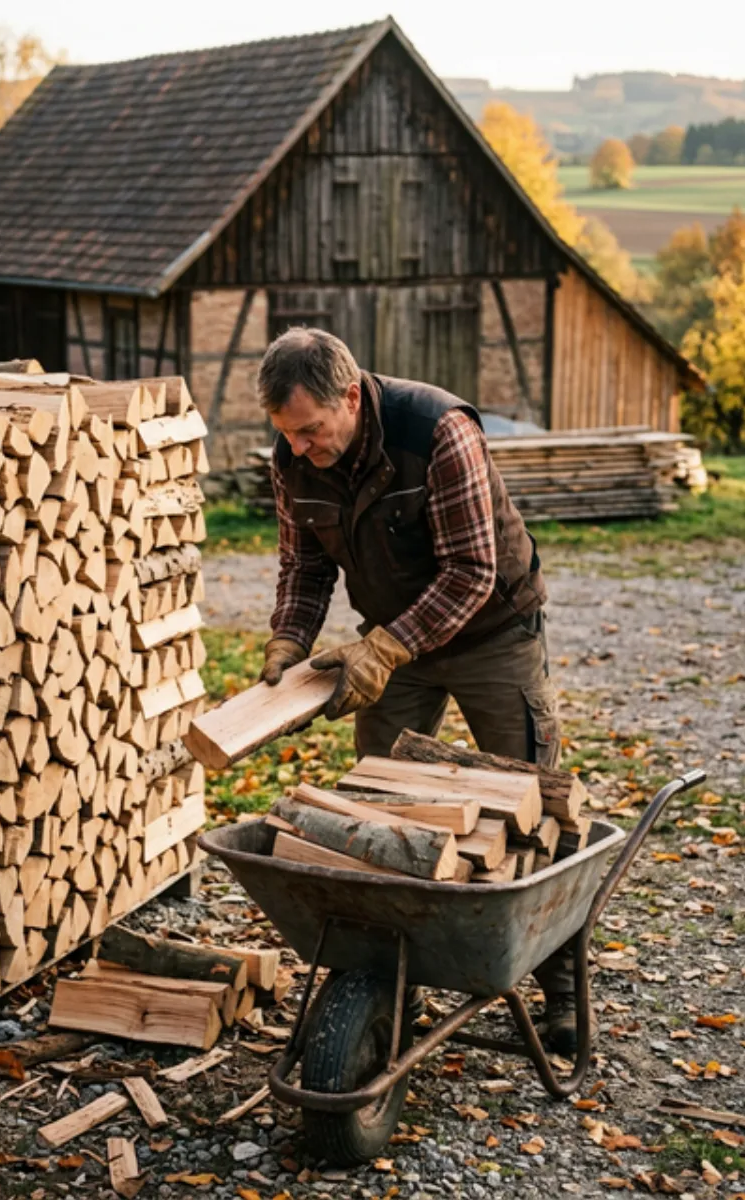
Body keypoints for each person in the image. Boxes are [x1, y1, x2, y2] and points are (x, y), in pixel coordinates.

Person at [257, 326, 574, 1053]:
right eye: (287, 435)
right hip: (393, 644)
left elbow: (471, 572)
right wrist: (289, 640)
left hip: (494, 633)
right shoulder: (293, 457)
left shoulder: (436, 431)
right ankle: (393, 985)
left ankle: (560, 991)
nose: (299, 448)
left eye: (310, 430)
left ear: (351, 395)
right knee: (381, 815)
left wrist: (386, 646)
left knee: (539, 806)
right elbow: (304, 567)